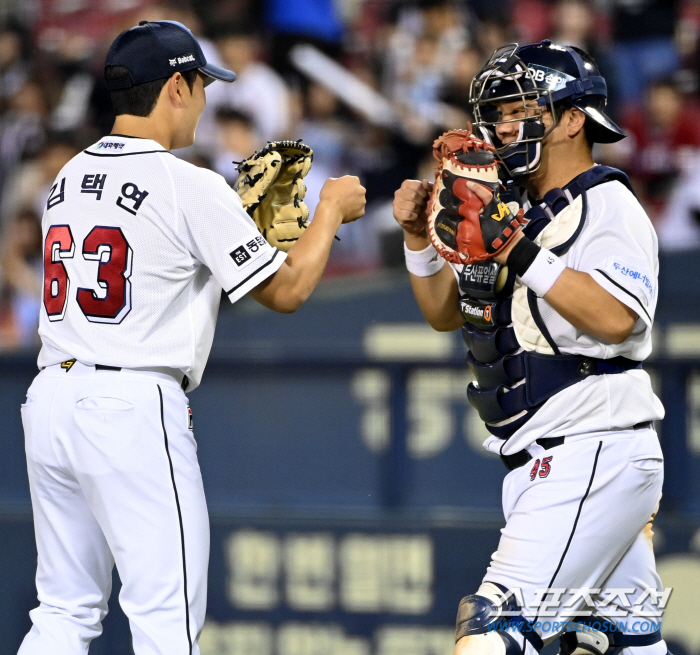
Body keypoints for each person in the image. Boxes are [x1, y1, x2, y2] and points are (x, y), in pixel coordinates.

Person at [19, 20, 365, 655]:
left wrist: (235, 228)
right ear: (176, 86)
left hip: (50, 398)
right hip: (131, 408)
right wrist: (330, 210)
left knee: (64, 612)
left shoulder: (64, 178)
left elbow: (160, 262)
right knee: (166, 622)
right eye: (201, 84)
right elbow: (287, 292)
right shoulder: (189, 183)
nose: (205, 99)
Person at [393, 41, 669, 655]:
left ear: (574, 117)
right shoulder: (511, 204)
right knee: (625, 644)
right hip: (550, 456)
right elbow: (446, 313)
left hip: (589, 447)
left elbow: (618, 317)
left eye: (521, 109)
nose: (502, 127)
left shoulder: (608, 203)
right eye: (496, 113)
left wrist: (517, 248)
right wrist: (417, 240)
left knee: (492, 632)